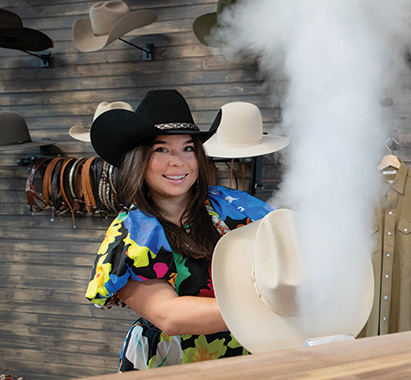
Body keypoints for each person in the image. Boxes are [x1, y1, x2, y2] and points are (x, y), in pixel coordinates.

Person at [85, 89, 275, 371]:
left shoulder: (235, 207)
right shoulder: (132, 233)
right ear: (138, 159)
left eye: (188, 148)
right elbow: (169, 316)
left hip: (247, 352)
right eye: (161, 149)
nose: (178, 161)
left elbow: (286, 243)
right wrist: (271, 306)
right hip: (171, 361)